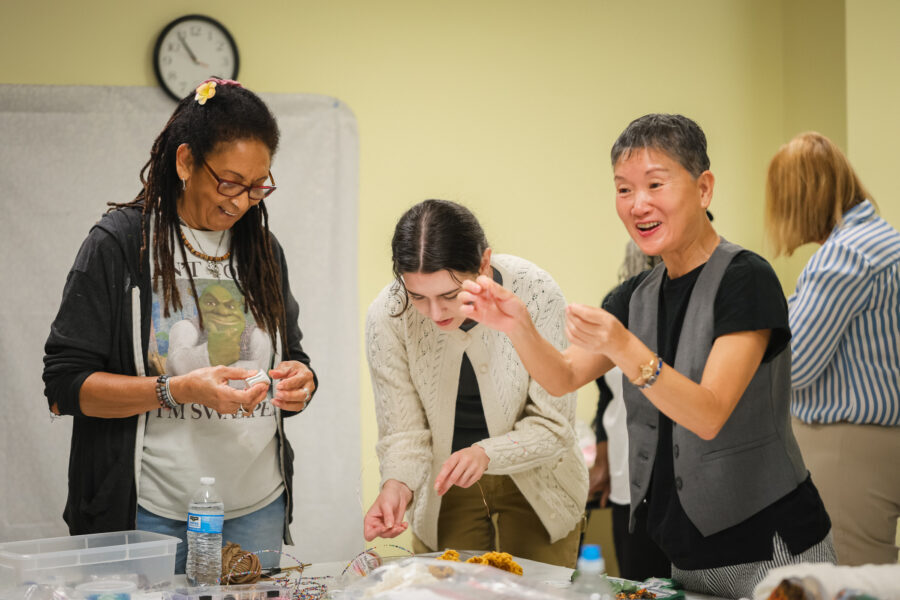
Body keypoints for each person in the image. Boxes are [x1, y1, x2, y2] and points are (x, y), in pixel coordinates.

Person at [459, 114, 835, 598]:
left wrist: (624, 346)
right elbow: (564, 375)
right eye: (623, 189)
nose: (639, 205)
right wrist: (517, 325)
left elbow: (709, 413)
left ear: (704, 189)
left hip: (772, 547)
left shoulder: (746, 278)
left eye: (655, 184)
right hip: (688, 553)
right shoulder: (634, 295)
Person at [43, 79, 317, 573]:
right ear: (186, 161)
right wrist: (177, 389)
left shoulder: (262, 251)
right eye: (229, 182)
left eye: (258, 186)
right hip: (148, 513)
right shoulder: (121, 245)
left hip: (257, 507)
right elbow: (65, 386)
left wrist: (303, 382)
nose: (242, 201)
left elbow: (292, 354)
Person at [362, 199, 588, 568]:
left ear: (484, 263)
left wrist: (486, 453)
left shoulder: (536, 292)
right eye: (418, 296)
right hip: (447, 480)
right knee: (450, 588)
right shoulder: (388, 315)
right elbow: (403, 432)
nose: (435, 314)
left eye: (450, 296)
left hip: (540, 477)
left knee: (538, 591)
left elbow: (554, 425)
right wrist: (397, 485)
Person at [765, 132, 900, 566]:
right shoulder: (885, 241)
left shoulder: (843, 256)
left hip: (847, 446)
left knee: (849, 578)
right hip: (883, 438)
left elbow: (795, 364)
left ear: (801, 198)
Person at [589, 241, 669, 581]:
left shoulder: (689, 309)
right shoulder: (618, 308)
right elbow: (606, 394)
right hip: (626, 478)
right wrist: (603, 461)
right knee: (635, 582)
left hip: (677, 483)